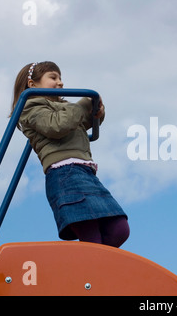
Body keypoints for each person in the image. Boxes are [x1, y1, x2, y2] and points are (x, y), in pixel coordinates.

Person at [10, 61, 129, 248]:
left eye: (61, 78)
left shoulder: (64, 107)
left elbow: (77, 124)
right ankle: (90, 272)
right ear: (33, 84)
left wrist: (96, 113)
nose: (60, 82)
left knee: (119, 229)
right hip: (64, 173)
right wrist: (82, 105)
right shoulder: (30, 106)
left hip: (85, 172)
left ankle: (90, 270)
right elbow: (56, 126)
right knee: (91, 237)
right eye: (53, 77)